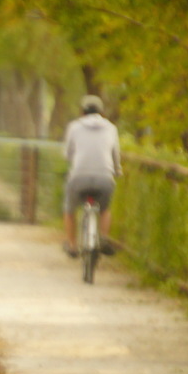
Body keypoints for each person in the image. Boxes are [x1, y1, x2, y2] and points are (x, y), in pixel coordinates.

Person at [62, 94, 122, 258]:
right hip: (104, 178)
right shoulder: (111, 128)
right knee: (104, 209)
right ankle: (103, 238)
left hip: (79, 177)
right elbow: (115, 155)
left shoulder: (74, 127)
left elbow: (67, 154)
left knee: (69, 208)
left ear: (82, 112)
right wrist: (117, 171)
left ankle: (72, 245)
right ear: (102, 112)